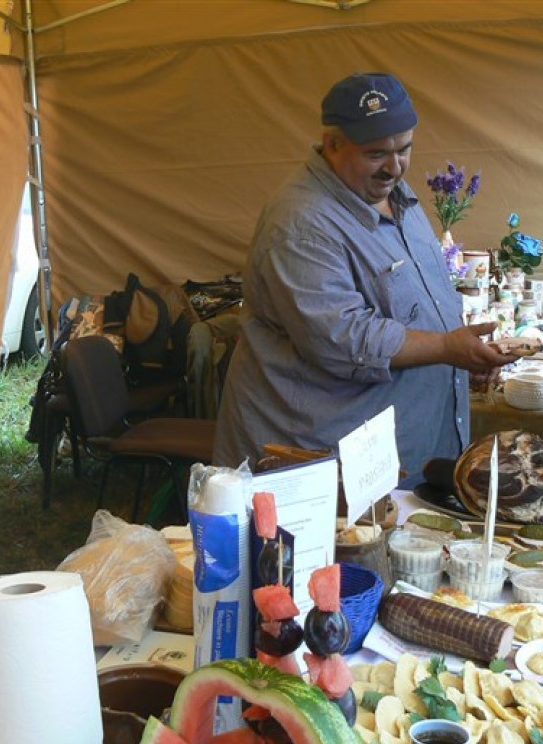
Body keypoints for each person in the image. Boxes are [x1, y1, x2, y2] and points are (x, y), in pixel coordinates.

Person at [213, 72, 514, 487]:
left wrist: (461, 359)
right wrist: (446, 348)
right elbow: (342, 339)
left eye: (404, 149)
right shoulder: (301, 224)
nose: (394, 167)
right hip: (322, 462)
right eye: (376, 154)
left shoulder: (394, 196)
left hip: (397, 451)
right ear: (332, 143)